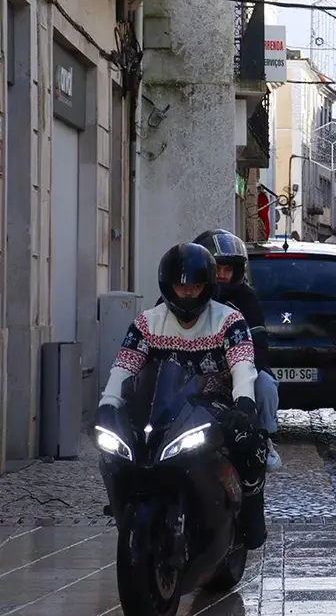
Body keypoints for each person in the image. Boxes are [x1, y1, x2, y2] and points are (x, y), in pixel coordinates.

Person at [97, 243, 269, 549]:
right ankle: (125, 505)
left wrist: (244, 403)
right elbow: (124, 365)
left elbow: (243, 365)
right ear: (167, 285)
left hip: (213, 405)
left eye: (196, 286)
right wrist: (108, 403)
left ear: (208, 286)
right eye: (181, 286)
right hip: (160, 407)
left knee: (247, 442)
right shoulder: (146, 322)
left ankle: (252, 503)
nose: (187, 293)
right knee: (114, 450)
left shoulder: (229, 321)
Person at [189, 229, 282, 469]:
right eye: (217, 268)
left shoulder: (245, 298)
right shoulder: (184, 293)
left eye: (228, 270)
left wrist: (245, 368)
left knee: (266, 386)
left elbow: (259, 342)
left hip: (236, 370)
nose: (221, 275)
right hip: (190, 371)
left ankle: (264, 437)